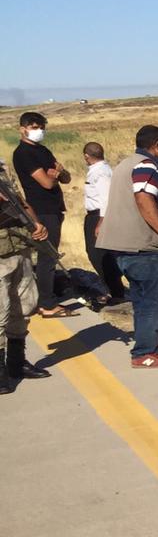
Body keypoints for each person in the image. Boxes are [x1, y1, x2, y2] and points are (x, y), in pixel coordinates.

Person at [98, 125, 158, 369]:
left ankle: (147, 348)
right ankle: (145, 353)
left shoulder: (125, 164)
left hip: (121, 246)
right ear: (157, 145)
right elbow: (144, 198)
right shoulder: (147, 166)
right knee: (156, 302)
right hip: (143, 247)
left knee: (142, 301)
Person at [11, 111, 74, 315]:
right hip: (41, 209)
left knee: (49, 255)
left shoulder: (43, 151)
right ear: (23, 129)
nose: (39, 131)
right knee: (48, 256)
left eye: (41, 127)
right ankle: (47, 303)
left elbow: (65, 177)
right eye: (34, 127)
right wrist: (54, 176)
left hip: (55, 208)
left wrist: (59, 173)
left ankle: (43, 298)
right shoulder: (23, 154)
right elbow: (46, 182)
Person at [0, 158, 53, 393]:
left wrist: (36, 225)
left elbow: (20, 202)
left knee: (24, 305)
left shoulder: (2, 169)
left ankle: (16, 361)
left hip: (19, 247)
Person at [81, 142, 127, 305]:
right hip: (95, 216)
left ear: (86, 156)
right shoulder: (99, 170)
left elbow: (106, 198)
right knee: (99, 254)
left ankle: (116, 291)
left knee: (98, 255)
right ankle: (112, 289)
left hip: (99, 216)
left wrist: (101, 221)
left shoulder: (101, 172)